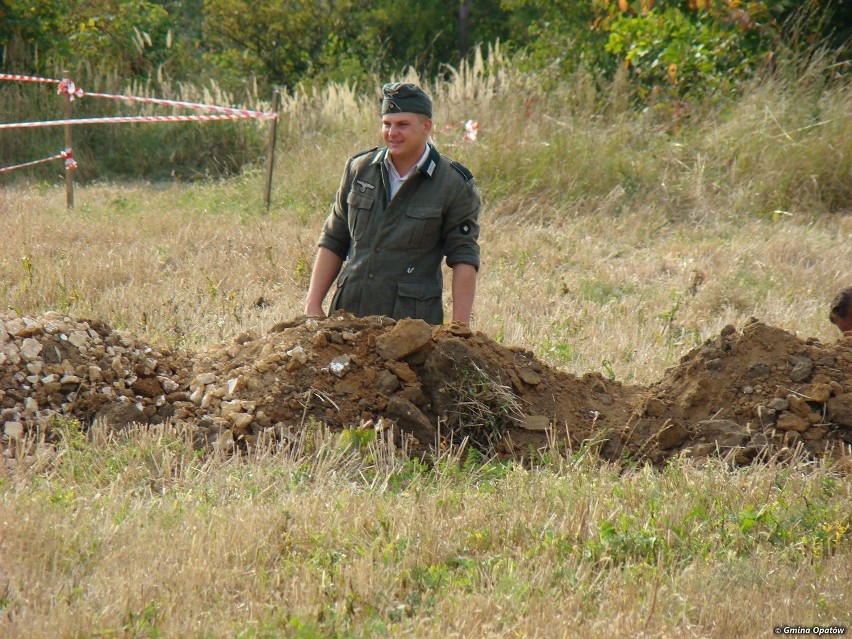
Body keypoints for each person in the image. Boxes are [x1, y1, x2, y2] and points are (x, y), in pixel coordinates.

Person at [304, 82, 481, 325]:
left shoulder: (452, 183)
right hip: (349, 316)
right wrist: (313, 304)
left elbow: (464, 256)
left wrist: (460, 327)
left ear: (426, 126)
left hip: (411, 326)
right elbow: (334, 239)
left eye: (402, 125)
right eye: (387, 124)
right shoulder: (360, 169)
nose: (392, 133)